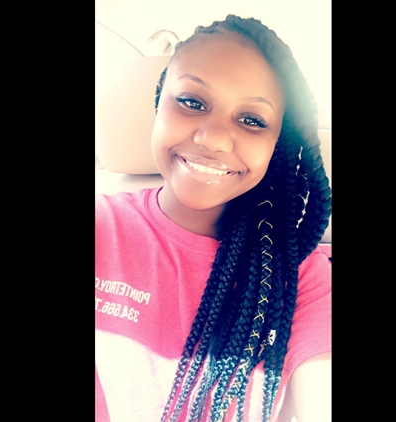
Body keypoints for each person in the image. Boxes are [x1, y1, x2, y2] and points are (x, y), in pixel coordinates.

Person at [95, 14, 332, 422]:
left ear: (276, 145)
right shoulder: (101, 225)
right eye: (192, 102)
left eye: (252, 121)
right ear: (159, 104)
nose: (214, 139)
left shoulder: (300, 275)